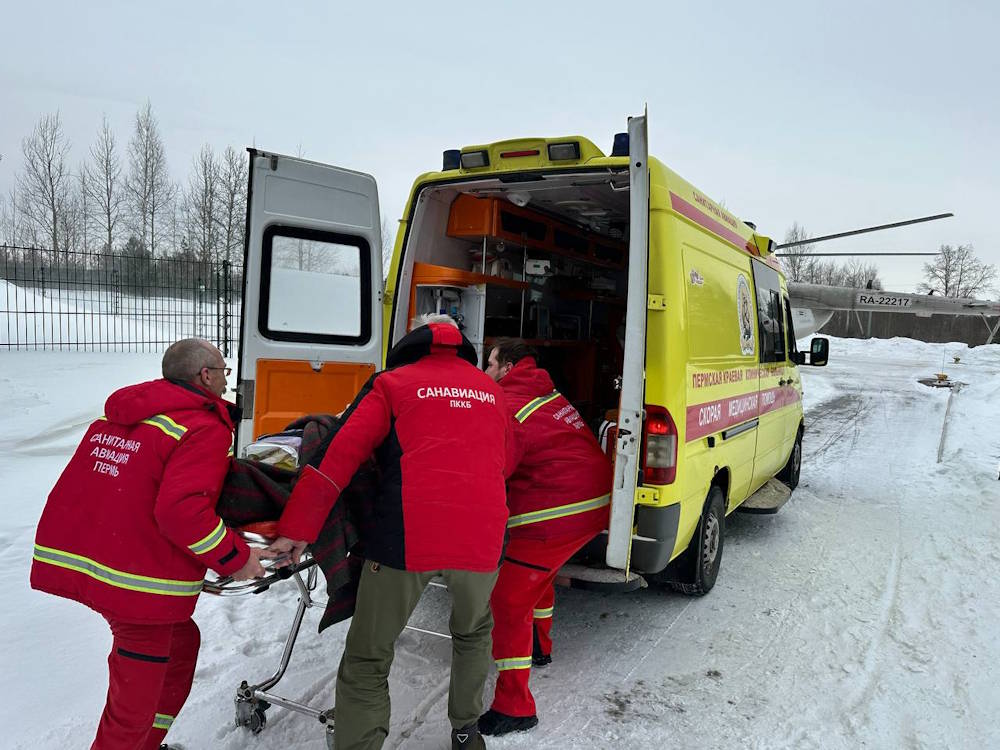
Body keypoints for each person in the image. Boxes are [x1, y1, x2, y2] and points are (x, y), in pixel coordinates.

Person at [265, 315, 510, 750]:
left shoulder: (393, 385)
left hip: (406, 537)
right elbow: (506, 460)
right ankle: (467, 732)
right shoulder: (492, 392)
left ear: (406, 351)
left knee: (369, 652)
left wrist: (298, 527)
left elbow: (337, 457)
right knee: (472, 632)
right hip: (482, 536)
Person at [30, 338, 265, 750]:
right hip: (136, 584)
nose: (227, 382)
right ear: (205, 375)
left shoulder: (128, 415)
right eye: (224, 372)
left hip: (99, 561)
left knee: (181, 643)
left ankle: (146, 744)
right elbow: (181, 512)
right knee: (131, 708)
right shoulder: (202, 426)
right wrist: (235, 557)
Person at [479, 339, 613, 737]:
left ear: (508, 366)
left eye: (489, 364)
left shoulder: (506, 403)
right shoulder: (546, 392)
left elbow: (495, 466)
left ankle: (514, 706)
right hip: (594, 503)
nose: (484, 372)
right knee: (541, 573)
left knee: (508, 596)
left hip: (557, 512)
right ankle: (540, 645)